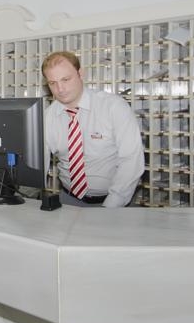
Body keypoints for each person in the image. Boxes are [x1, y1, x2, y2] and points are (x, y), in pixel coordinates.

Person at [42, 51, 144, 207]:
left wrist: (111, 206)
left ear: (80, 74)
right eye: (52, 83)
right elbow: (38, 161)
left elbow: (131, 161)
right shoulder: (48, 116)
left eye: (66, 79)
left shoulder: (113, 107)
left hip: (113, 201)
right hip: (68, 199)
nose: (60, 89)